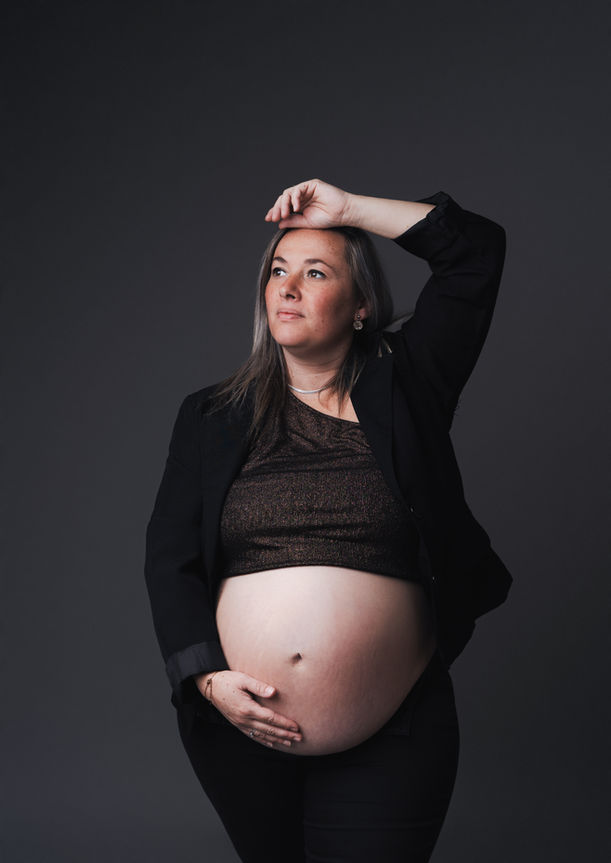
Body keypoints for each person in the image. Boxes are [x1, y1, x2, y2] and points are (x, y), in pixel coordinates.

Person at [144, 178, 512, 863]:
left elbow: (475, 253)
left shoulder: (410, 383)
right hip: (240, 727)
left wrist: (346, 212)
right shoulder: (211, 416)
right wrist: (204, 678)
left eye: (315, 273)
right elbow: (170, 559)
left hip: (394, 723)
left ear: (362, 305)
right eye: (277, 271)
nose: (287, 286)